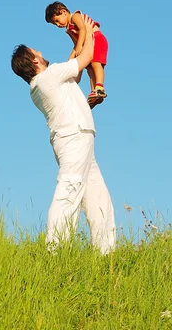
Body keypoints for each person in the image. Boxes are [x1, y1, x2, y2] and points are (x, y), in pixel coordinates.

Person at [11, 21, 116, 254]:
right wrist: (87, 29)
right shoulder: (50, 77)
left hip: (78, 138)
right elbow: (86, 56)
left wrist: (78, 42)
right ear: (34, 60)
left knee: (98, 196)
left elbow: (73, 71)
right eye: (37, 52)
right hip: (74, 137)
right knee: (68, 190)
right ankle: (55, 250)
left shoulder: (43, 83)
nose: (41, 52)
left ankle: (106, 252)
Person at [45, 1, 108, 108]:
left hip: (97, 38)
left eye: (57, 20)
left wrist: (79, 47)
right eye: (55, 24)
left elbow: (83, 29)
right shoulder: (69, 30)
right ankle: (94, 92)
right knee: (89, 69)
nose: (58, 24)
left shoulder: (75, 16)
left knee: (96, 64)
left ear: (63, 12)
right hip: (88, 45)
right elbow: (76, 44)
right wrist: (70, 60)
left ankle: (100, 87)